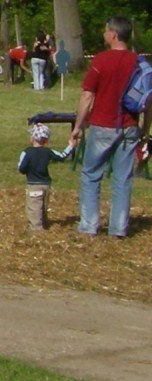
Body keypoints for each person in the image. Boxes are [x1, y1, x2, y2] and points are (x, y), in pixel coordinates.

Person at [71, 16, 147, 239]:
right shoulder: (139, 62)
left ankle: (88, 225)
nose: (103, 34)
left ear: (113, 34)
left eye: (105, 31)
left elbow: (87, 95)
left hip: (103, 124)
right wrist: (145, 129)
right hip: (130, 126)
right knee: (122, 179)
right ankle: (118, 229)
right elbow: (148, 100)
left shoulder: (101, 60)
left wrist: (77, 126)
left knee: (91, 174)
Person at [17, 123, 76, 232]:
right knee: (43, 206)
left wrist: (25, 171)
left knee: (34, 207)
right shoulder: (47, 151)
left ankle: (36, 230)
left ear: (33, 138)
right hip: (46, 184)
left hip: (33, 184)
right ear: (45, 140)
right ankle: (44, 223)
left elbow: (21, 167)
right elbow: (62, 156)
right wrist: (70, 146)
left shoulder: (27, 152)